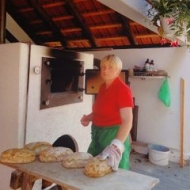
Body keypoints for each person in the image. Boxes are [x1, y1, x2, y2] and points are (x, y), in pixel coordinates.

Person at [80, 54, 134, 171]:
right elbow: (100, 112)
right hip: (97, 136)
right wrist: (87, 118)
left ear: (118, 70)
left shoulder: (123, 89)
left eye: (110, 67)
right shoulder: (103, 87)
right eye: (103, 67)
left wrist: (116, 145)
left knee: (114, 175)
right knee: (94, 169)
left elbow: (127, 121)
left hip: (114, 135)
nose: (105, 70)